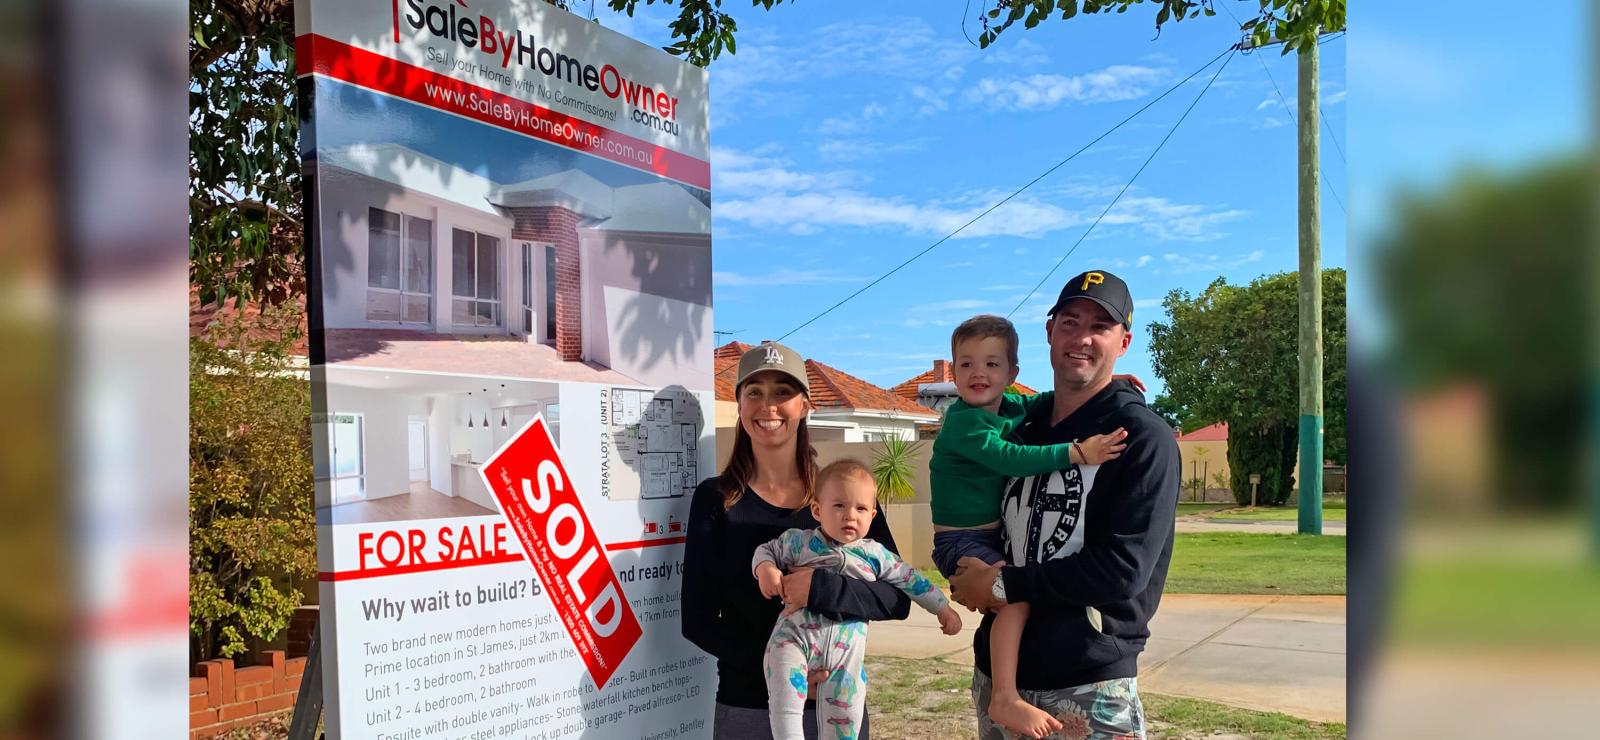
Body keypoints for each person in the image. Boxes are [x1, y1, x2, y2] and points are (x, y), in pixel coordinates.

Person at [949, 270, 1181, 740]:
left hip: (1088, 683)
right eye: (1070, 322)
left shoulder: (1140, 437)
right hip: (998, 675)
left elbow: (1122, 570)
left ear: (1124, 342)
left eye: (1100, 327)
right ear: (1050, 331)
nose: (1082, 338)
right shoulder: (1019, 426)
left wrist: (1002, 585)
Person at [682, 341, 911, 739]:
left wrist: (820, 588)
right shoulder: (716, 499)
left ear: (804, 405)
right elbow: (697, 621)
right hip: (748, 708)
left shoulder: (844, 498)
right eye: (754, 392)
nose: (768, 406)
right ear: (739, 404)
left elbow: (897, 598)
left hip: (836, 706)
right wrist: (788, 672)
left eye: (782, 392)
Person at [929, 314, 1129, 739]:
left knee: (1012, 593)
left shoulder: (1009, 407)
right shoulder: (964, 423)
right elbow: (1011, 459)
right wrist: (1076, 453)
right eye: (966, 364)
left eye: (992, 364)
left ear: (1011, 373)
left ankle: (1006, 691)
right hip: (960, 539)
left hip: (987, 534)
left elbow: (1045, 401)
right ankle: (1005, 696)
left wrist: (1109, 385)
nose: (978, 373)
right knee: (1012, 597)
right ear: (953, 372)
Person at [754, 459, 962, 740]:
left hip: (846, 657)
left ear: (873, 515)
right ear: (817, 510)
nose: (850, 516)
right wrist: (765, 569)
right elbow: (766, 550)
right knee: (784, 697)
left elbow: (909, 578)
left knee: (847, 717)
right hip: (793, 639)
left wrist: (942, 607)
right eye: (839, 506)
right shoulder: (798, 542)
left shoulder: (876, 554)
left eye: (861, 508)